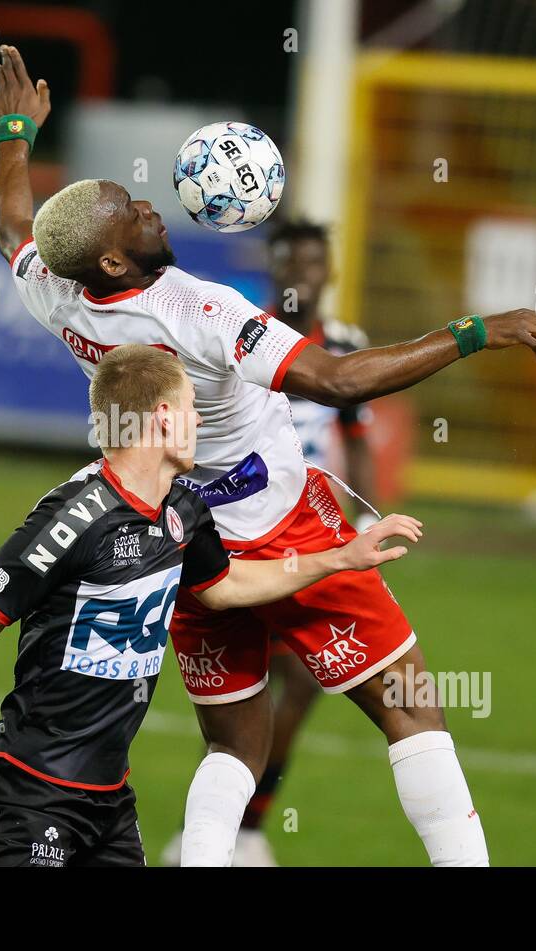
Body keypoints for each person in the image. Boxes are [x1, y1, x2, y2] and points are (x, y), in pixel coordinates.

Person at [0, 44, 536, 866]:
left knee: (233, 751)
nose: (152, 206)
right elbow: (333, 379)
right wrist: (475, 332)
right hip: (287, 526)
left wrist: (14, 131)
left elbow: (14, 223)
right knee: (412, 712)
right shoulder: (201, 308)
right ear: (114, 259)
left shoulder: (56, 290)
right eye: (133, 211)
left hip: (184, 541)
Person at [0, 344, 422, 866]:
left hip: (110, 801)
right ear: (162, 417)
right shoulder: (72, 518)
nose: (201, 421)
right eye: (191, 407)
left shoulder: (182, 510)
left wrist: (340, 557)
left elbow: (223, 586)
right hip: (29, 790)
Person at [160, 218, 379, 866]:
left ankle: (245, 826)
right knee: (237, 693)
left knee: (309, 683)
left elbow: (358, 441)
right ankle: (208, 836)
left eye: (314, 261)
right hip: (237, 536)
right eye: (289, 259)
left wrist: (365, 521)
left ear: (329, 270)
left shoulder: (342, 344)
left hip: (311, 535)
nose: (302, 273)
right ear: (274, 267)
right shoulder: (244, 336)